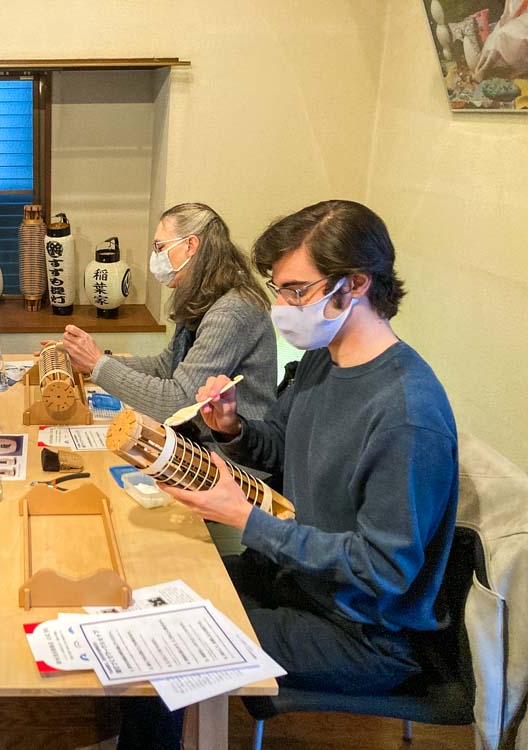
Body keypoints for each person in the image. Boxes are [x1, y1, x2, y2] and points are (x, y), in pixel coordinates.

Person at [118, 200, 459, 748]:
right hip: (292, 580)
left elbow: (386, 570)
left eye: (296, 290)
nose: (280, 307)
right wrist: (230, 428)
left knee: (165, 642)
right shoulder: (325, 359)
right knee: (156, 594)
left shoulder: (407, 413)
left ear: (354, 287)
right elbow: (278, 448)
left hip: (363, 632)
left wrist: (248, 520)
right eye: (279, 289)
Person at [61, 203, 277, 432]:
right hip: (201, 439)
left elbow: (178, 402)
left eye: (160, 247)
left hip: (230, 454)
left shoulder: (230, 312)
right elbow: (166, 365)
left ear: (191, 245)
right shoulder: (203, 294)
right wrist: (88, 362)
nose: (156, 257)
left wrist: (98, 364)